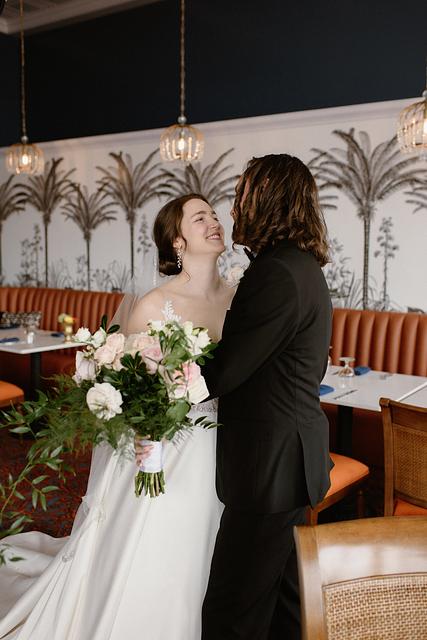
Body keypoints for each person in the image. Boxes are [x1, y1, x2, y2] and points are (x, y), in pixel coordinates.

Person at [0, 193, 234, 640]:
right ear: (177, 241)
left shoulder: (240, 297)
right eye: (200, 218)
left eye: (214, 215)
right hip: (169, 445)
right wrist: (149, 437)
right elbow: (131, 393)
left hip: (222, 439)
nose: (214, 222)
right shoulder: (154, 306)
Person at [200, 153, 333, 640]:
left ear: (269, 200)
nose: (234, 207)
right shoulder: (302, 267)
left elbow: (225, 371)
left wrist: (160, 374)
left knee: (231, 613)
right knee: (284, 607)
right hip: (288, 464)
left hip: (269, 470)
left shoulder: (275, 272)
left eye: (242, 194)